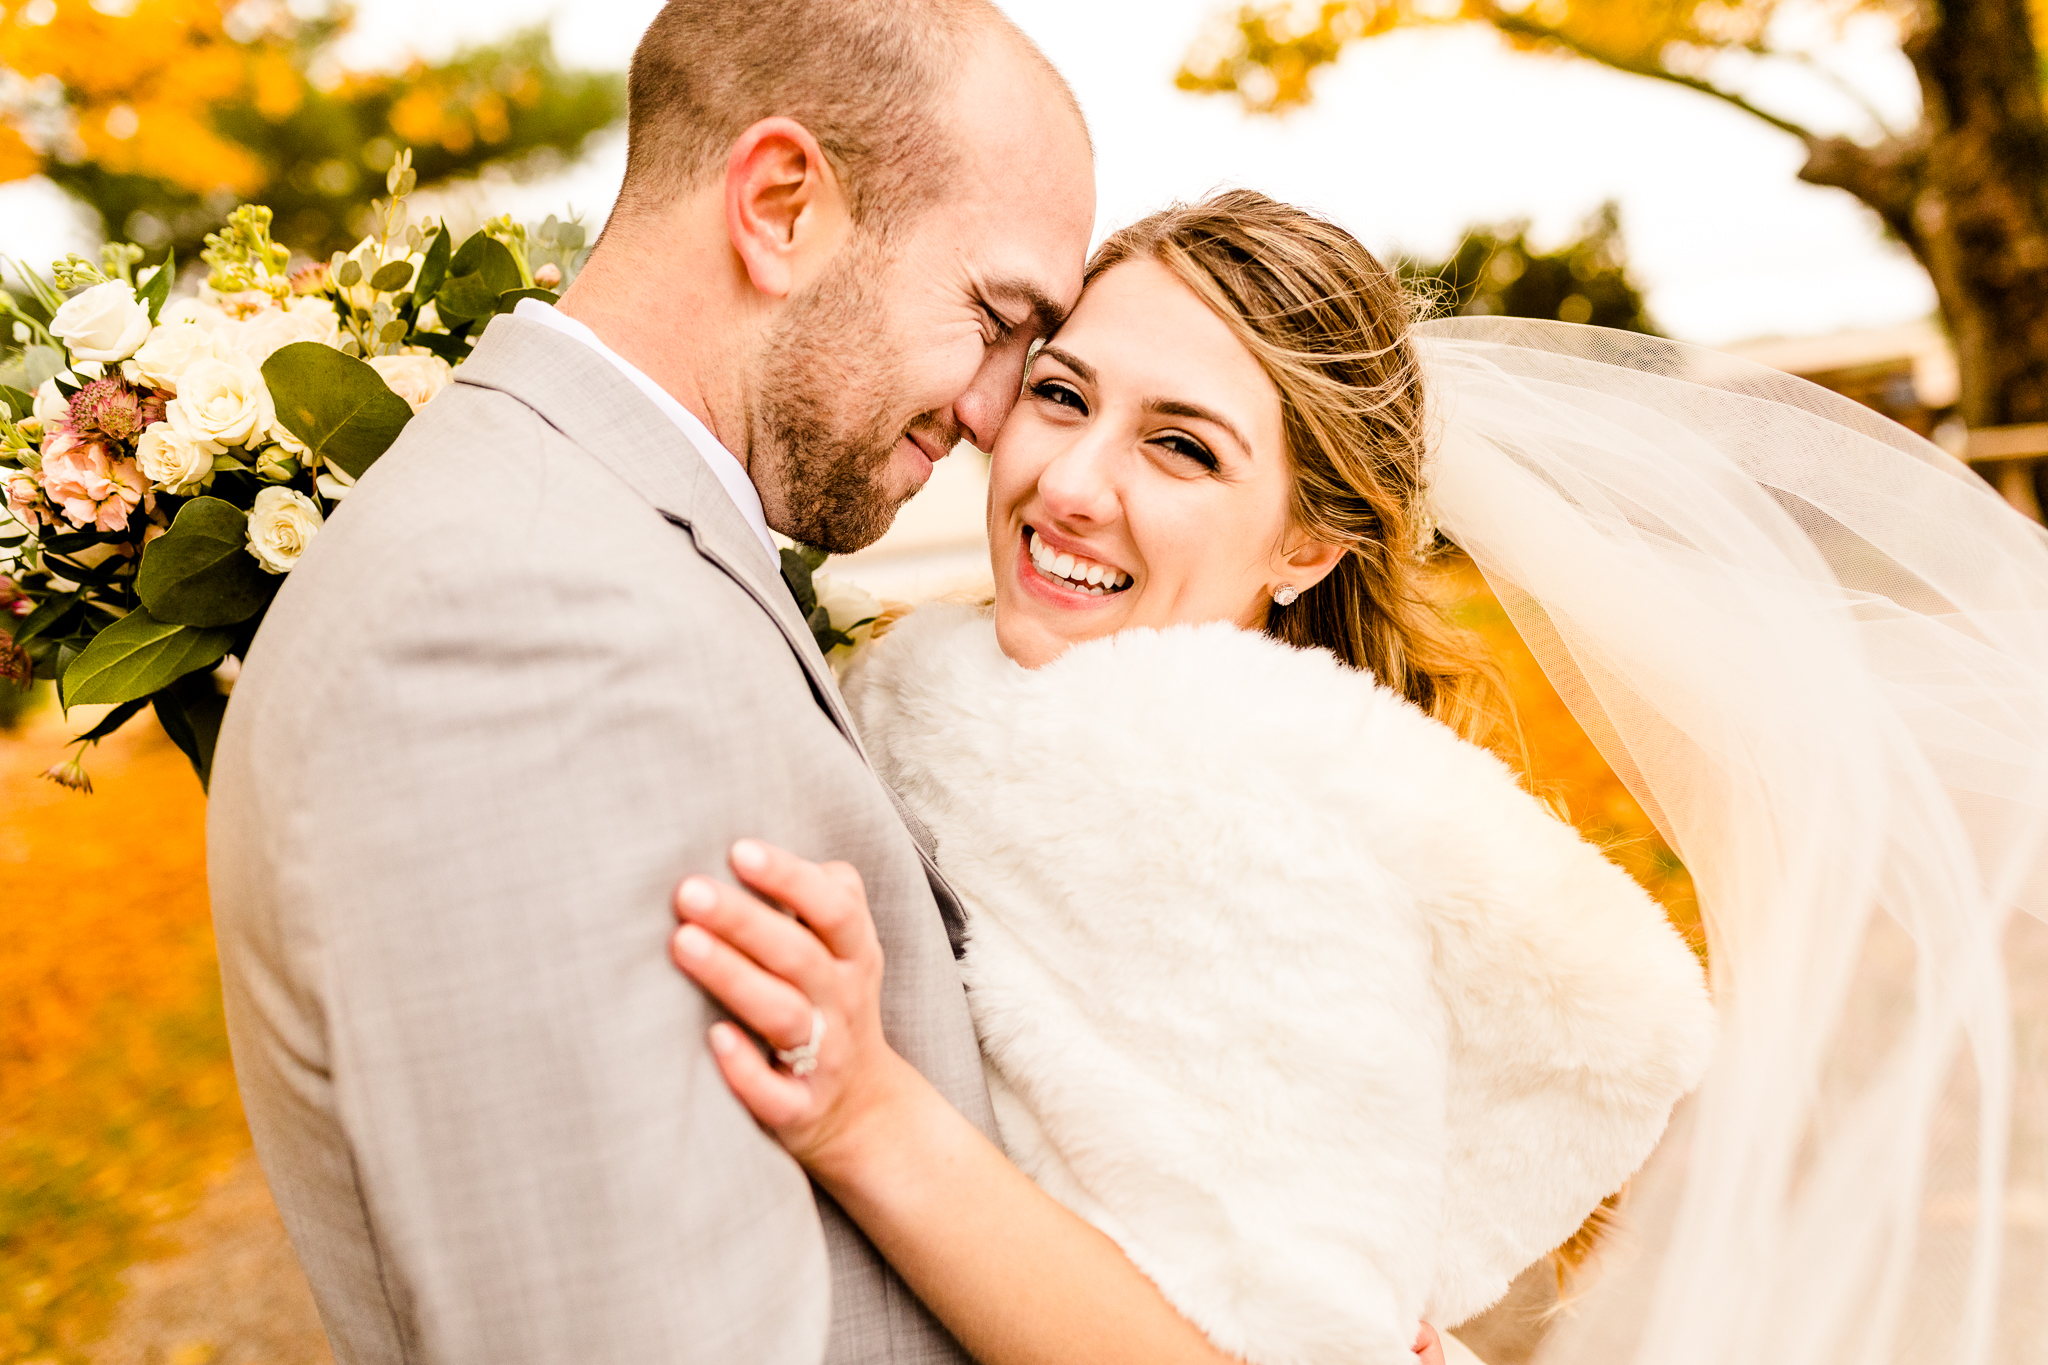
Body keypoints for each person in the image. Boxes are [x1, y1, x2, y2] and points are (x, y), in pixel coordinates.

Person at [670, 187, 2048, 1365]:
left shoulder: (1273, 852)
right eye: (1062, 395)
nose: (1076, 481)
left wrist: (867, 1116)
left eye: (1182, 446)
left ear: (1305, 548)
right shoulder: (936, 695)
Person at [205, 2, 1095, 1360]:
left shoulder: (595, 534)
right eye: (992, 317)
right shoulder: (507, 618)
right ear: (783, 204)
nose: (993, 412)